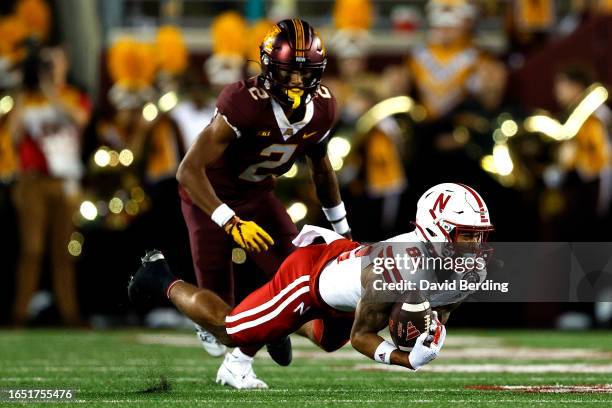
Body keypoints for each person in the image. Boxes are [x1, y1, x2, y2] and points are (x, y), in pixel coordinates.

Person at [129, 182, 494, 388]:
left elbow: (440, 307)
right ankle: (160, 277)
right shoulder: (395, 267)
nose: (473, 247)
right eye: (465, 235)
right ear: (433, 228)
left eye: (479, 237)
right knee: (231, 330)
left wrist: (434, 331)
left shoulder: (467, 269)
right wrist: (404, 358)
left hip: (345, 291)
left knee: (326, 340)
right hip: (309, 278)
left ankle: (276, 329)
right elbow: (363, 336)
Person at [176, 19, 352, 386]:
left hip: (258, 196)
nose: (297, 83)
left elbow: (322, 170)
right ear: (270, 68)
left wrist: (343, 231)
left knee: (300, 277)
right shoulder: (244, 103)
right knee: (225, 324)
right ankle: (157, 278)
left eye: (305, 74)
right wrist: (229, 221)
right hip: (209, 196)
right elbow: (189, 170)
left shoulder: (323, 108)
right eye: (289, 73)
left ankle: (274, 326)